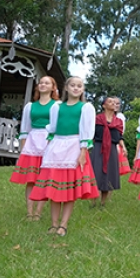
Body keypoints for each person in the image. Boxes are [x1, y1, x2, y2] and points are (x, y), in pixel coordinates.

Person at [29, 76, 99, 237]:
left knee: (69, 190)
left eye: (79, 86)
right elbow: (52, 128)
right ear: (66, 88)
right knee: (54, 188)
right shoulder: (57, 107)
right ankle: (53, 224)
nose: (76, 88)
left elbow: (87, 131)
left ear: (82, 89)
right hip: (56, 147)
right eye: (73, 85)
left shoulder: (86, 107)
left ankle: (63, 225)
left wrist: (83, 152)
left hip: (74, 147)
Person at [10, 76, 59, 221]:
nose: (43, 85)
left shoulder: (57, 105)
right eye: (41, 83)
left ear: (53, 87)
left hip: (49, 140)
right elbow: (25, 127)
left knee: (44, 178)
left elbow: (57, 126)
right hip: (32, 141)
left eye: (47, 83)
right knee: (31, 179)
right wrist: (23, 148)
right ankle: (29, 212)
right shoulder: (30, 106)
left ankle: (38, 212)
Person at [90, 97, 126, 208]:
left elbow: (119, 136)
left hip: (111, 149)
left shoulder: (118, 121)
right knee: (96, 173)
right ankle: (93, 202)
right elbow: (91, 134)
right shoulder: (97, 119)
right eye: (110, 102)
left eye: (115, 103)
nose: (113, 104)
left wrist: (123, 147)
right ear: (104, 105)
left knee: (108, 174)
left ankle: (103, 203)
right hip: (98, 147)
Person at [114, 97, 131, 176]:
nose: (115, 105)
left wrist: (120, 145)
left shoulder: (120, 116)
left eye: (118, 104)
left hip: (116, 141)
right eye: (114, 103)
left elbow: (120, 133)